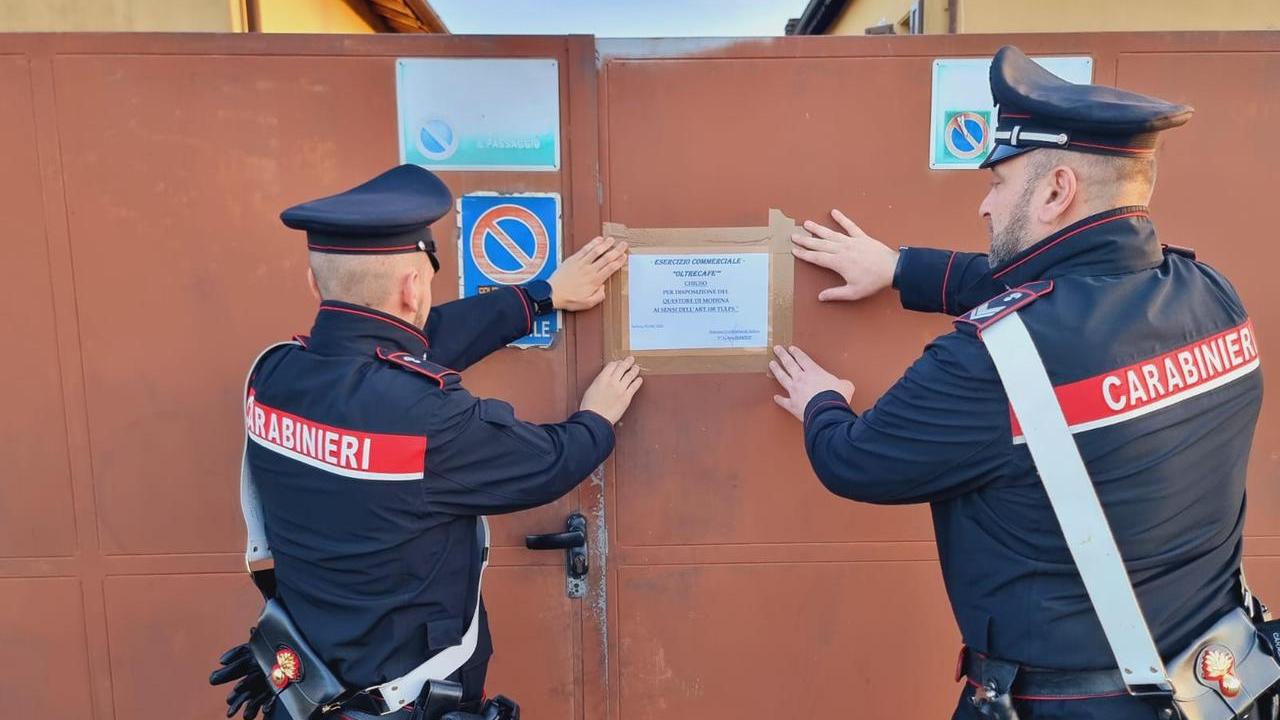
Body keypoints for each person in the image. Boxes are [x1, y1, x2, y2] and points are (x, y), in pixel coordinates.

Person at [769, 46, 1264, 719]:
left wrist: (821, 402)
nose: (984, 204)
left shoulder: (988, 364)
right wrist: (902, 268)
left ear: (1057, 190)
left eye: (999, 182)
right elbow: (1075, 292)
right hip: (1216, 687)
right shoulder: (1212, 296)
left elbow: (854, 460)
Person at [210, 164, 642, 719]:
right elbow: (549, 462)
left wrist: (541, 296)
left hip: (303, 694)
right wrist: (597, 418)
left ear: (315, 284)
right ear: (413, 287)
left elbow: (402, 348)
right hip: (401, 705)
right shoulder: (428, 418)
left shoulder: (273, 375)